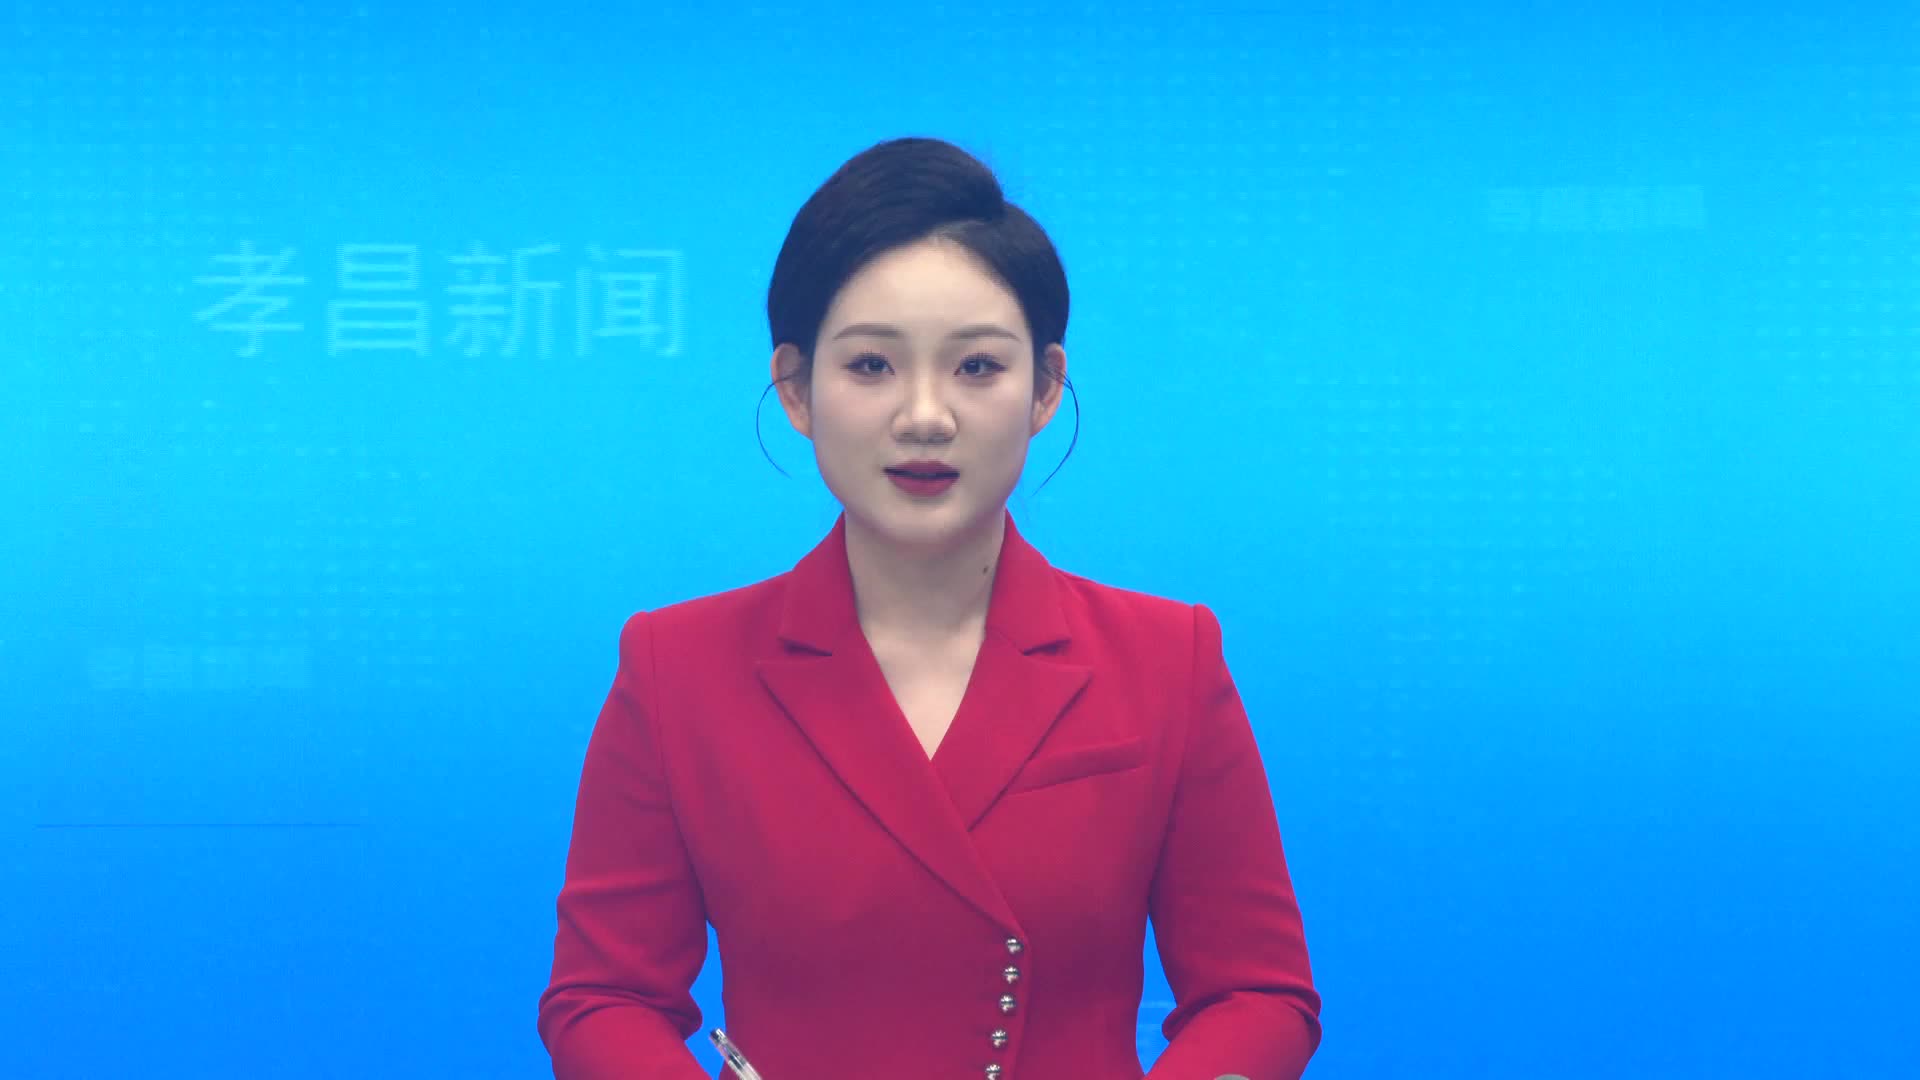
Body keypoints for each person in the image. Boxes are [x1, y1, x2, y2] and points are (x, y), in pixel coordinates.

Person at [537, 136, 1322, 1080]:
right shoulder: (678, 666)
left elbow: (1256, 994)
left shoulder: (1166, 658)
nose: (924, 416)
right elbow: (605, 999)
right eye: (871, 365)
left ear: (1045, 388)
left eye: (977, 367)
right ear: (795, 388)